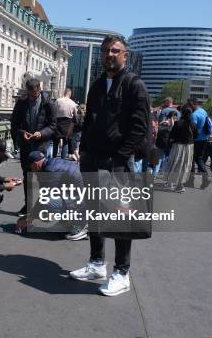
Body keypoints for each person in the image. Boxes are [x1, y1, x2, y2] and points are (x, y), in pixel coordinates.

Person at [69, 35, 150, 297]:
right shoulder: (96, 85)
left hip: (118, 163)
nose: (109, 54)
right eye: (105, 51)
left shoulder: (134, 85)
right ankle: (96, 263)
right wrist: (83, 150)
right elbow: (90, 121)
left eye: (115, 50)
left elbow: (140, 127)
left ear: (125, 55)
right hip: (93, 158)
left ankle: (122, 272)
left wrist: (121, 157)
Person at [14, 151, 87, 241]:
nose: (31, 171)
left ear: (35, 164)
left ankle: (80, 225)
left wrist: (29, 219)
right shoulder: (51, 163)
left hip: (82, 201)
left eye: (31, 168)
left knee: (47, 203)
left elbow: (44, 198)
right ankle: (67, 223)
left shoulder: (50, 170)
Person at [10, 78, 57, 215]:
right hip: (26, 146)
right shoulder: (21, 103)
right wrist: (22, 133)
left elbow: (53, 126)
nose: (32, 98)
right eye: (30, 95)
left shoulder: (48, 103)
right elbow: (14, 125)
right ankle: (28, 205)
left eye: (35, 95)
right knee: (27, 176)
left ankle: (43, 206)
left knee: (42, 177)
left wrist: (41, 133)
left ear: (39, 90)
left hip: (41, 145)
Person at [164, 106, 198, 192]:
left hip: (178, 146)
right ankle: (180, 185)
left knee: (174, 163)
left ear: (182, 113)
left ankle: (170, 183)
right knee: (185, 166)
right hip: (189, 147)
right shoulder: (193, 124)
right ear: (190, 114)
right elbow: (196, 135)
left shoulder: (178, 123)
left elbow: (172, 135)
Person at [187, 98, 211, 176]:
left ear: (194, 104)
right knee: (199, 158)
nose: (189, 107)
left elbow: (192, 128)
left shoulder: (194, 115)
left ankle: (191, 178)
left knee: (192, 159)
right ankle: (205, 176)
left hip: (196, 139)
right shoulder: (203, 111)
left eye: (190, 105)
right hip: (204, 138)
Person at [53, 88, 79, 159]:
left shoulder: (57, 101)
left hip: (58, 122)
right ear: (70, 94)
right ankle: (63, 160)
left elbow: (53, 112)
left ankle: (53, 158)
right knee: (66, 143)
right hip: (68, 124)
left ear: (64, 93)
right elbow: (76, 116)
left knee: (55, 142)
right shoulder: (73, 103)